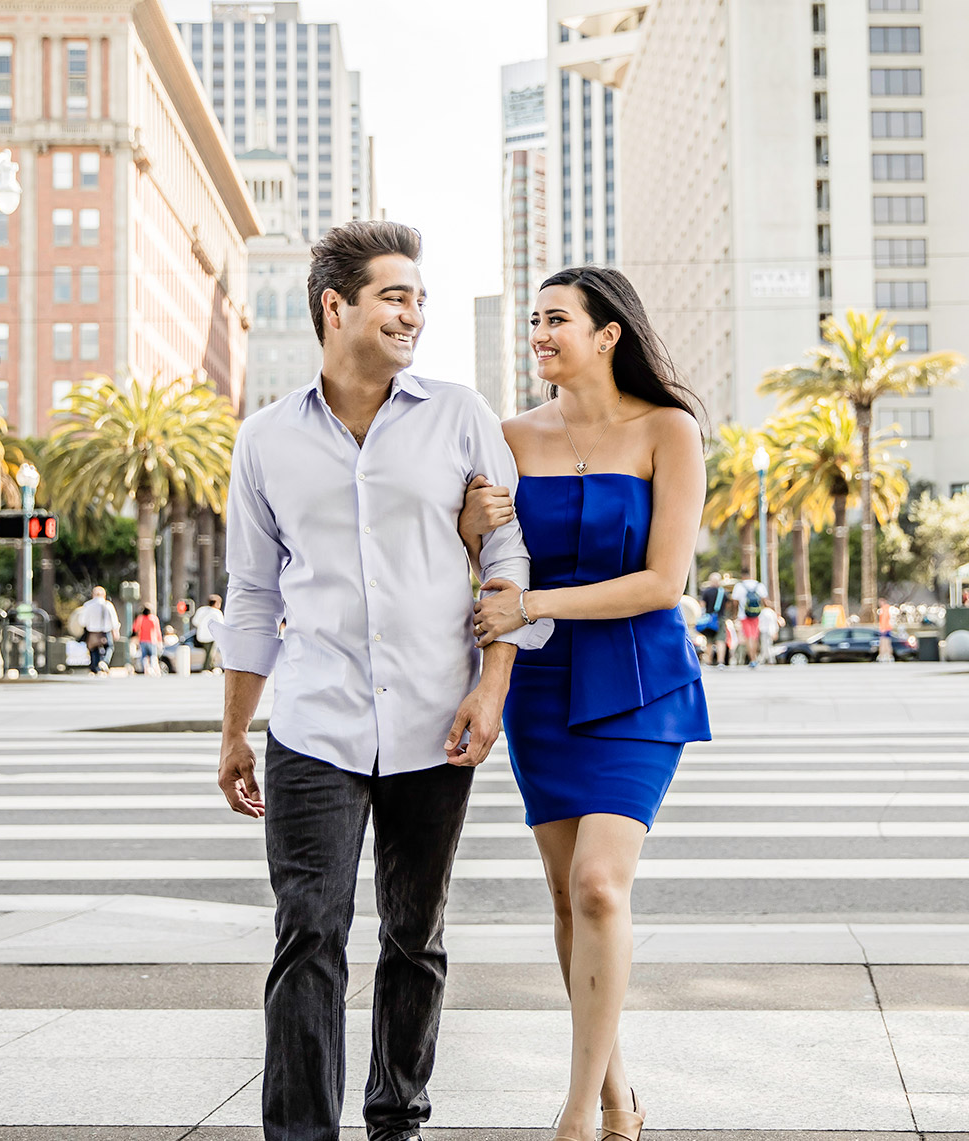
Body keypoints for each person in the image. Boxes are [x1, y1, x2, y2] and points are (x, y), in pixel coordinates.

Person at [214, 221, 550, 1141]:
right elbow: (251, 592)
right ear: (336, 306)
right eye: (394, 295)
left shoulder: (460, 413)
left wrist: (492, 689)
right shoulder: (265, 440)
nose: (414, 313)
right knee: (309, 933)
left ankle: (396, 1115)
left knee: (414, 935)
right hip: (312, 724)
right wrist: (237, 728)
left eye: (419, 297)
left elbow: (506, 554)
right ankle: (300, 1134)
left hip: (436, 719)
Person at [460, 264, 710, 1141]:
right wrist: (472, 537)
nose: (540, 333)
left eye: (557, 319)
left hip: (639, 677)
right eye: (533, 319)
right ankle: (617, 1093)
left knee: (601, 885)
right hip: (540, 686)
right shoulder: (508, 435)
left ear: (609, 334)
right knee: (569, 902)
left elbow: (661, 581)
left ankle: (575, 1111)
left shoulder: (668, 430)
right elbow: (491, 568)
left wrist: (535, 605)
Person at [80, 587, 121, 675]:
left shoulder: (87, 605)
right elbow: (114, 620)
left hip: (92, 632)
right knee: (109, 647)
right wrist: (116, 630)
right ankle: (105, 662)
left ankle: (96, 668)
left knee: (93, 650)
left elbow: (82, 621)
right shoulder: (108, 605)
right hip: (105, 631)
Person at [697, 571, 732, 666]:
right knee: (721, 640)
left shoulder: (706, 592)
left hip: (709, 620)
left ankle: (708, 661)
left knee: (709, 641)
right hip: (720, 618)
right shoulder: (724, 592)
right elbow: (728, 605)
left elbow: (702, 605)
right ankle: (721, 661)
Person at [192, 593, 225, 671]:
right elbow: (221, 625)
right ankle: (207, 667)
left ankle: (210, 666)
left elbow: (195, 622)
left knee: (207, 652)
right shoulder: (217, 612)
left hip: (201, 636)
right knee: (210, 653)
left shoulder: (201, 610)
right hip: (212, 636)